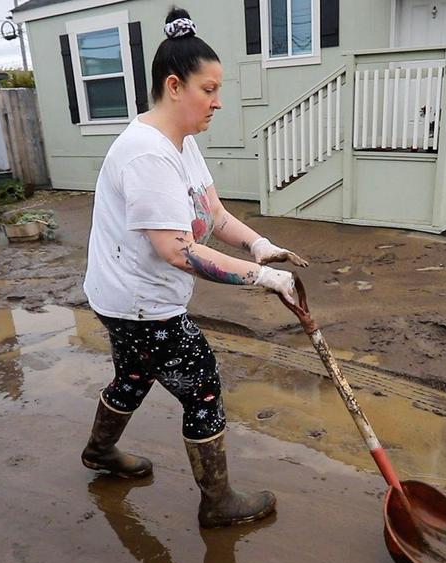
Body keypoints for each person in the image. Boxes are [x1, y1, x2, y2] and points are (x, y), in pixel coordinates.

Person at [81, 7, 306, 528]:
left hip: (129, 295)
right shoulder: (145, 155)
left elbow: (215, 214)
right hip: (138, 301)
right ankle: (218, 501)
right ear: (175, 86)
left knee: (135, 373)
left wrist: (260, 246)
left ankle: (100, 452)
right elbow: (178, 250)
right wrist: (264, 280)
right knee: (201, 381)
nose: (218, 101)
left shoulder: (183, 144)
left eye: (219, 89)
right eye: (210, 89)